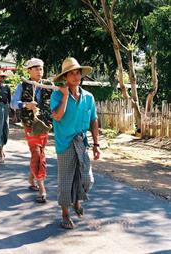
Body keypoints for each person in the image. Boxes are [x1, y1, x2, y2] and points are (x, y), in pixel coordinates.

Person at [50, 57, 100, 229]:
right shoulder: (56, 95)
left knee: (87, 179)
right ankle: (65, 214)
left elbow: (94, 120)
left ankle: (77, 201)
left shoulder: (88, 97)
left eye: (77, 72)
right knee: (65, 181)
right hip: (64, 143)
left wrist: (96, 144)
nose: (75, 76)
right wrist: (65, 96)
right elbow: (57, 116)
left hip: (81, 142)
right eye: (71, 73)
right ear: (65, 77)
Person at [11, 58, 52, 203]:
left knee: (39, 152)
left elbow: (56, 101)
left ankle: (31, 179)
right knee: (37, 153)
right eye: (36, 68)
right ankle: (42, 188)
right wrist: (26, 105)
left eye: (41, 68)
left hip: (45, 125)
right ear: (29, 71)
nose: (39, 71)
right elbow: (13, 103)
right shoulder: (22, 85)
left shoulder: (48, 85)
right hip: (30, 125)